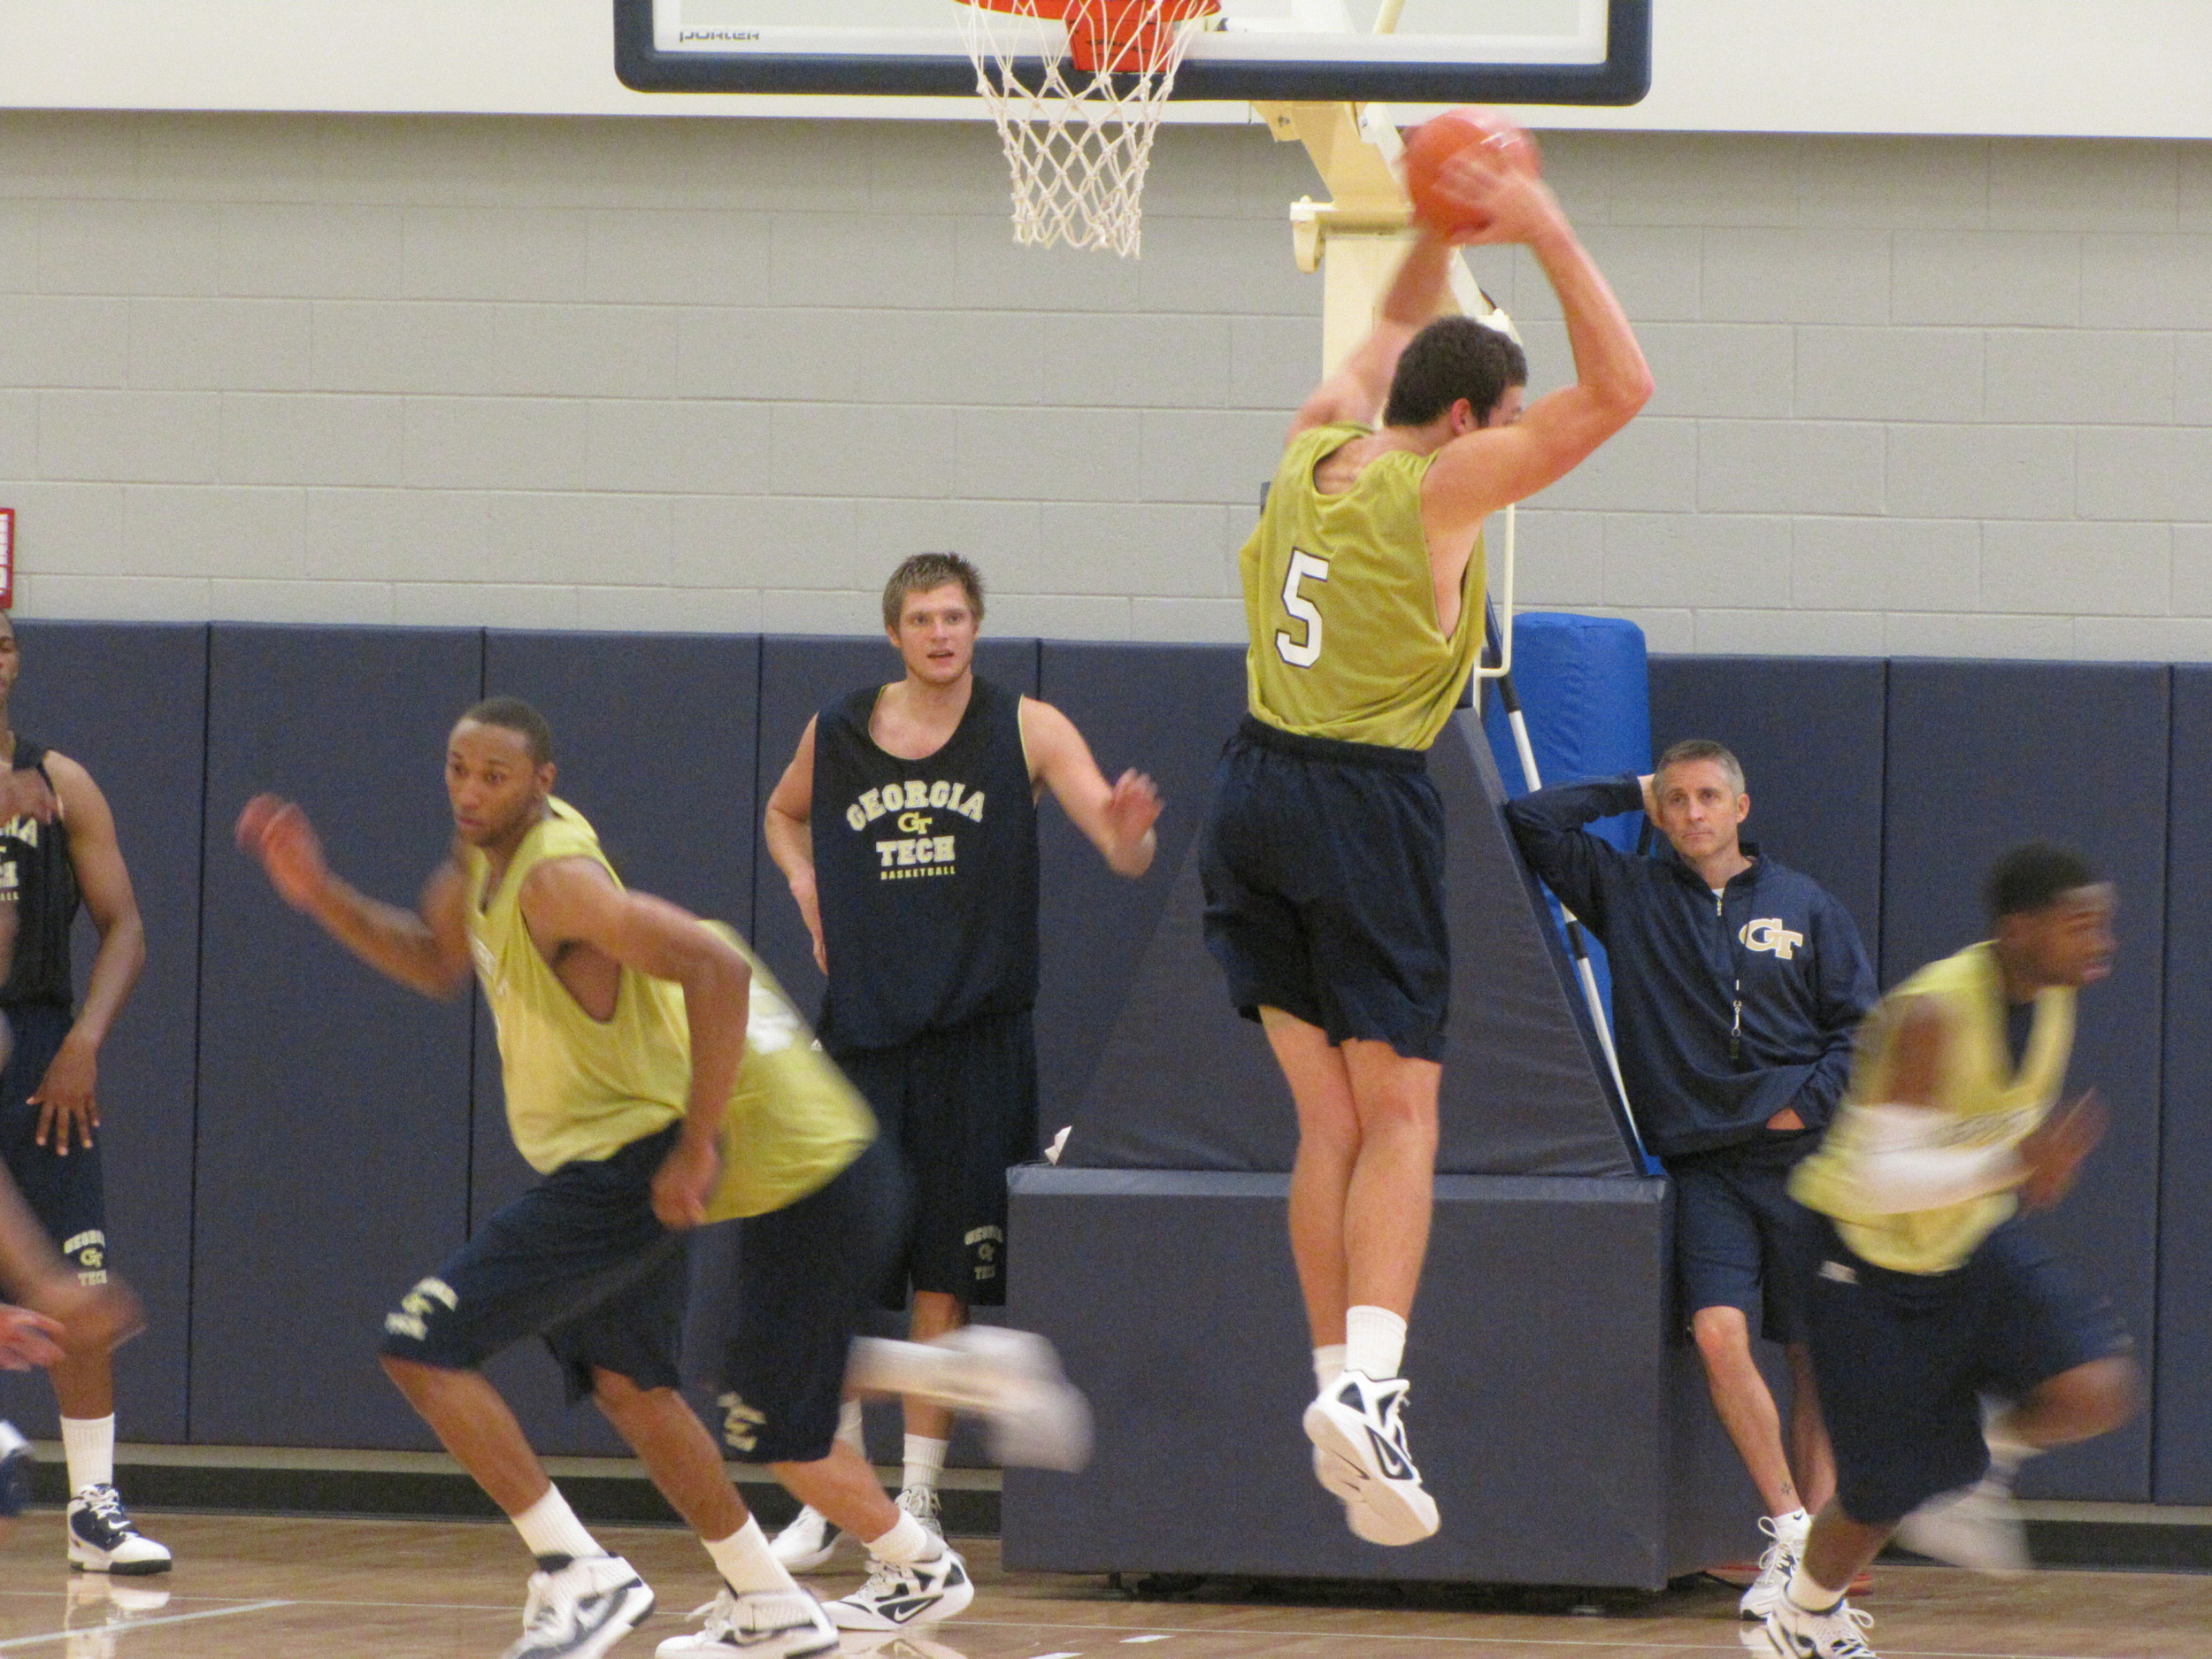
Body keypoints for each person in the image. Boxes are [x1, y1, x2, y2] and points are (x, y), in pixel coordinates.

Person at [236, 696, 1087, 1659]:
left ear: (542, 782)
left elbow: (711, 970)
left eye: (493, 775)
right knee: (644, 1387)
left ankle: (582, 1568)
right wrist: (320, 894)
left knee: (424, 1345)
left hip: (656, 1162)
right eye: (456, 769)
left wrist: (690, 1149)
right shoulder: (480, 866)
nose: (469, 791)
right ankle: (768, 1594)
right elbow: (436, 962)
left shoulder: (562, 885)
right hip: (691, 1159)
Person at [1195, 129, 1651, 1545]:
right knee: (1406, 1114)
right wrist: (1542, 223)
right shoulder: (1440, 490)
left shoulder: (1311, 444)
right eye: (1501, 424)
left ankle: (1339, 1384)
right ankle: (1382, 1383)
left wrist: (1440, 226)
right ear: (1471, 425)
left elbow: (1394, 328)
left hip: (1251, 795)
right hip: (1361, 803)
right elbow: (1623, 392)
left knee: (1323, 1116)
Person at [761, 552, 1158, 1573]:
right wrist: (807, 891)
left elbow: (1117, 848)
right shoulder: (838, 730)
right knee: (840, 1275)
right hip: (862, 1038)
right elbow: (780, 812)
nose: (941, 633)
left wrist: (1125, 838)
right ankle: (832, 1495)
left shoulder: (1026, 727)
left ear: (976, 628)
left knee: (947, 1278)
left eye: (956, 617)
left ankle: (920, 1502)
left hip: (977, 1040)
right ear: (893, 632)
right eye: (923, 619)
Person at [1502, 739, 1871, 1615]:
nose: (1692, 813)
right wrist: (1629, 785)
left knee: (1818, 1359)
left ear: (1741, 808)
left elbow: (1862, 1031)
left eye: (1709, 796)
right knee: (1717, 1336)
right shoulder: (1626, 896)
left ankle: (1820, 1558)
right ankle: (1785, 1530)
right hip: (1704, 1168)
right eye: (1675, 800)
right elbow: (1528, 820)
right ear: (1659, 814)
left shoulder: (1805, 906)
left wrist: (1800, 1109)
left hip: (1807, 1166)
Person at [1747, 844, 2140, 1659]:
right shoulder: (1931, 1011)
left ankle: (1974, 1472)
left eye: (2103, 923)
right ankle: (1802, 1616)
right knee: (1879, 1495)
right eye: (2081, 924)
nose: (2101, 942)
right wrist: (2014, 1165)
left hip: (1968, 1244)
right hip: (1863, 1264)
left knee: (2096, 1385)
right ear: (2017, 928)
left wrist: (2018, 1171)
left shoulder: (2053, 997)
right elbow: (1880, 1179)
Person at [0, 612, 165, 1574]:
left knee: (78, 1281)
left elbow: (127, 924)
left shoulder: (63, 782)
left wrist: (86, 1042)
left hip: (40, 1054)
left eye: (5, 639)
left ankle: (93, 1502)